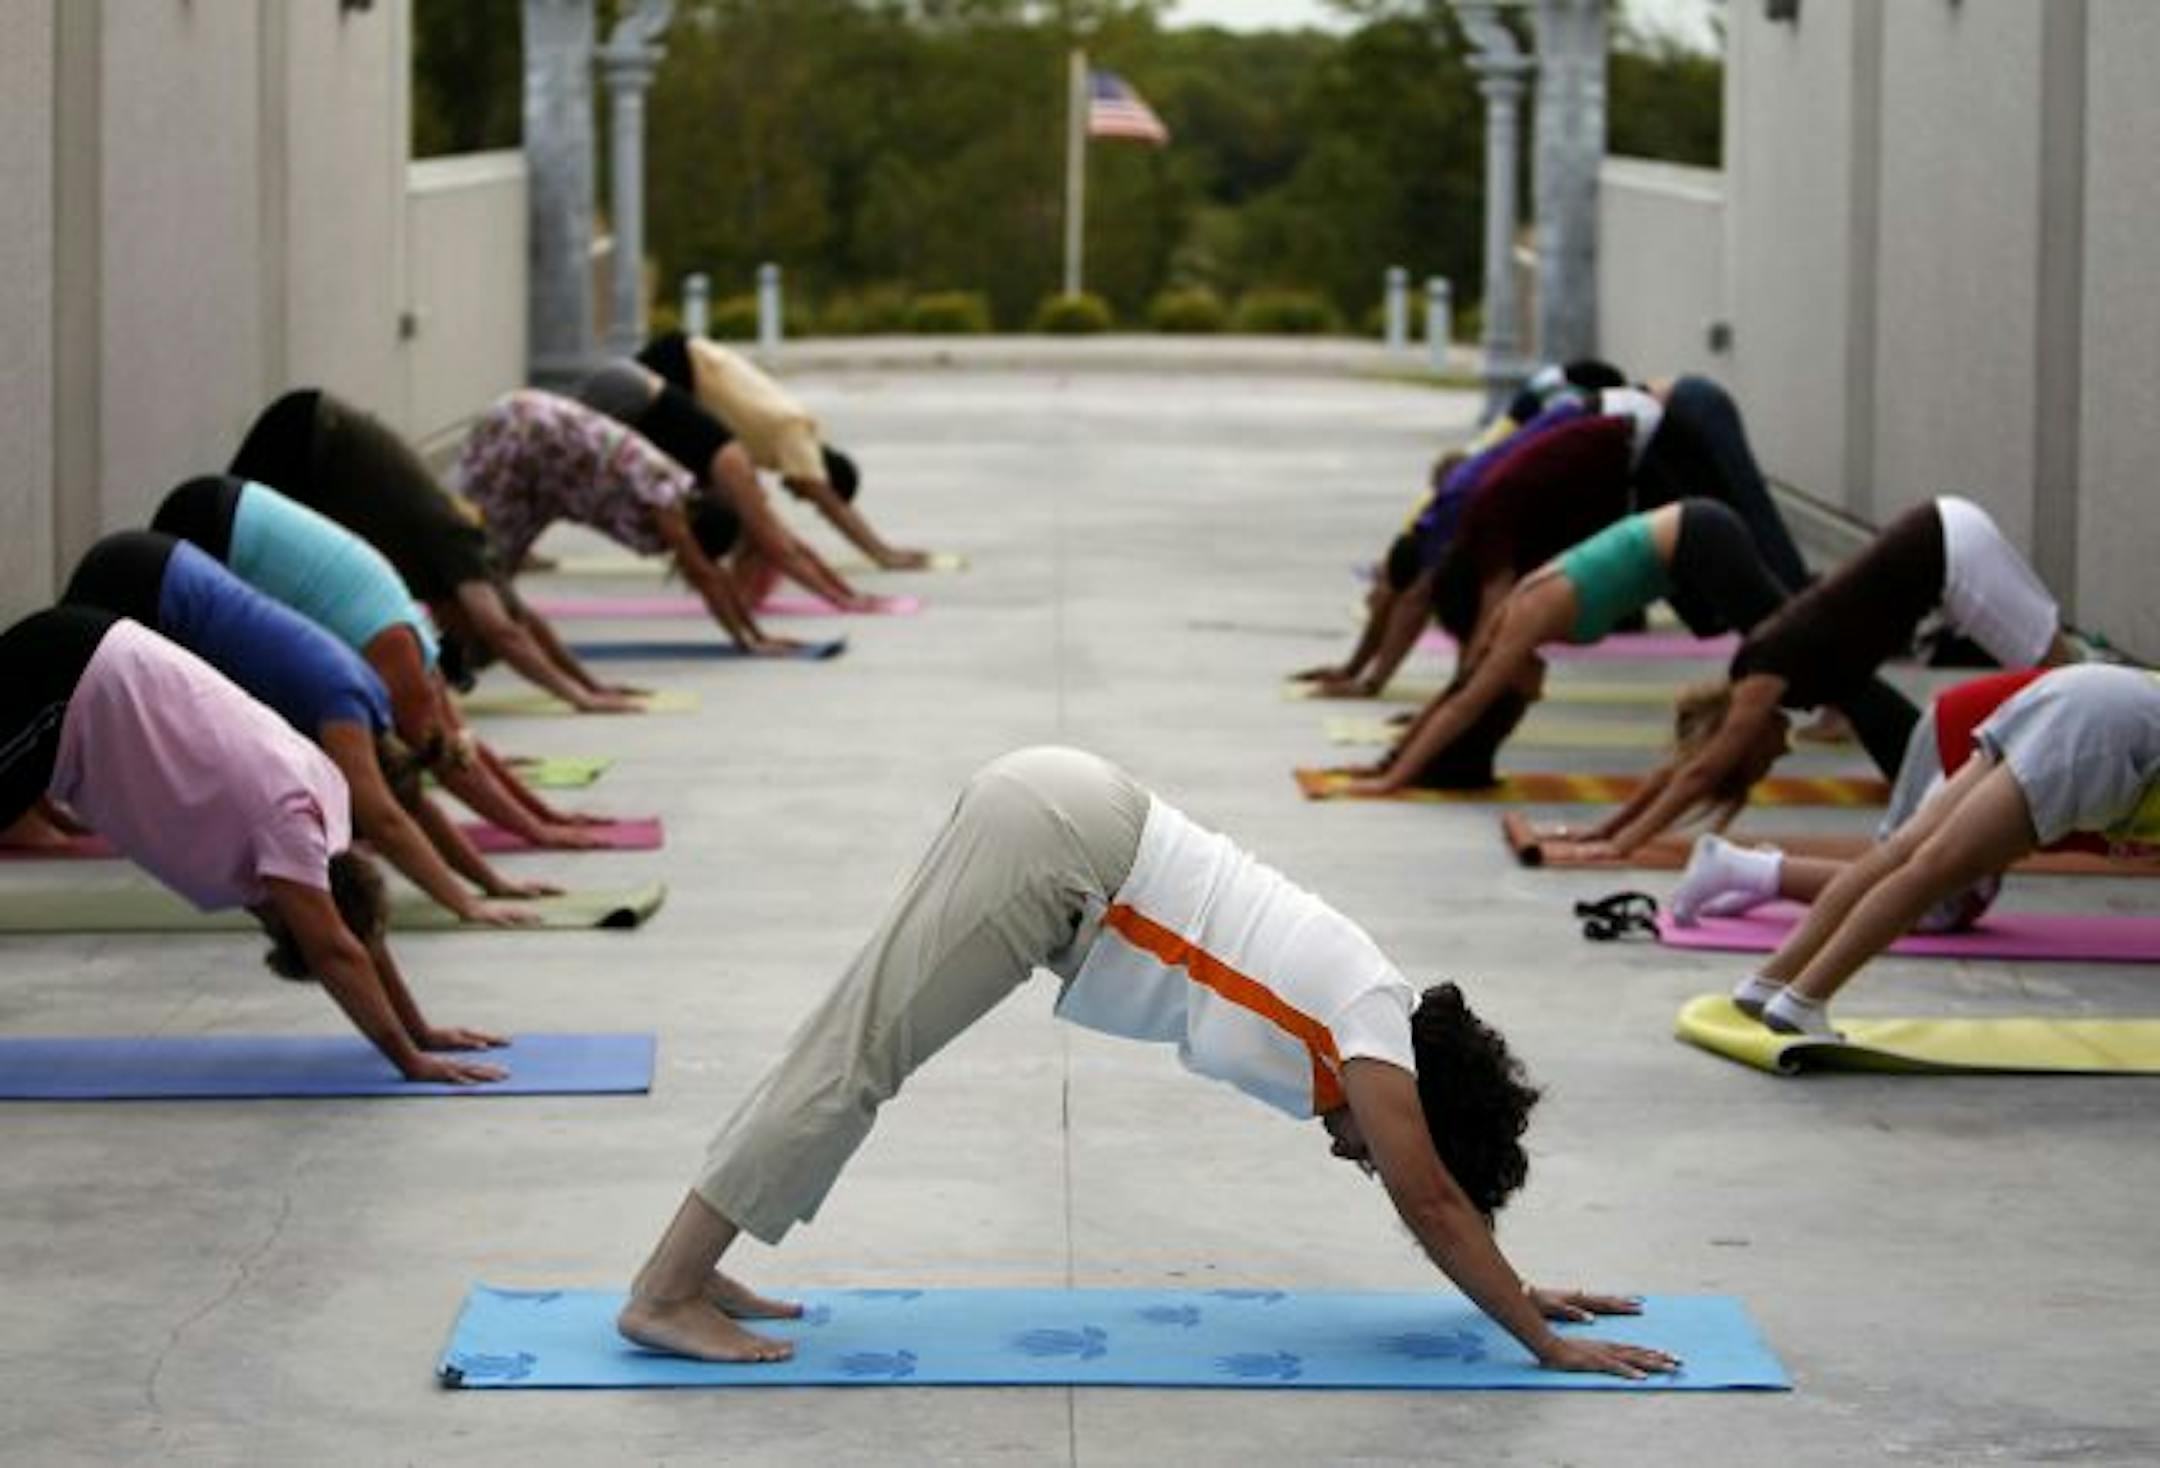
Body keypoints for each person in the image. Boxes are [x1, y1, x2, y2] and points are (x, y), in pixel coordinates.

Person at [616, 746, 1679, 1380]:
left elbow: (1432, 1187)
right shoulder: (1370, 1028)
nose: (1353, 1157)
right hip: (1061, 848)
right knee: (858, 1055)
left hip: (1067, 828)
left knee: (848, 1040)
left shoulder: (1363, 1015)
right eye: (1368, 1155)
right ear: (1425, 1109)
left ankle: (693, 1264)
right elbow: (1434, 1200)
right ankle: (664, 1292)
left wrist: (1520, 1286)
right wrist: (1540, 1337)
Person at [0, 606, 507, 1084]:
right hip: (66, 683)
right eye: (276, 928)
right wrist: (409, 1059)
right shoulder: (287, 828)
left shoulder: (321, 814)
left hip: (86, 664)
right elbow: (335, 949)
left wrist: (419, 1028)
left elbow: (355, 931)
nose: (262, 922)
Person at [59, 530, 558, 925]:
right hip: (144, 582)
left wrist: (490, 882)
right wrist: (464, 904)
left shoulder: (373, 709)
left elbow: (410, 804)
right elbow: (385, 817)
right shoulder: (344, 708)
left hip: (164, 568)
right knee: (60, 703)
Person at [1549, 496, 2078, 863]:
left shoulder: (1764, 671)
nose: (1781, 755)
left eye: (1762, 760)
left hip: (1949, 550)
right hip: (1943, 546)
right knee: (2072, 685)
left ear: (1737, 735)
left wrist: (1622, 847)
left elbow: (1701, 771)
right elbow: (1684, 767)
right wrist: (1604, 829)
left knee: (2072, 687)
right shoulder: (1763, 669)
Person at [150, 475, 613, 852]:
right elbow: (449, 764)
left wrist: (545, 814)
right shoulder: (400, 655)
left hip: (226, 508)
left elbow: (459, 746)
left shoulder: (417, 641)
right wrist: (535, 832)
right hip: (212, 527)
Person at [1726, 663, 2160, 1037]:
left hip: (2076, 693)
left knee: (1901, 851)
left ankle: (1771, 979)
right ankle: (1804, 1000)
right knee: (1935, 870)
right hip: (2102, 731)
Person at [229, 388, 643, 712]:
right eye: (457, 635)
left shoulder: (470, 567)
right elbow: (504, 631)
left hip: (321, 442)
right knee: (229, 564)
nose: (443, 632)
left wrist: (591, 684)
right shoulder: (461, 550)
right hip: (310, 435)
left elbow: (525, 622)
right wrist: (577, 695)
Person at [1346, 499, 1794, 795]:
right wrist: (1390, 761)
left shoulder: (1520, 627)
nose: (1539, 693)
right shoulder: (1505, 632)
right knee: (1797, 652)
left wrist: (1393, 782)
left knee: (1803, 651)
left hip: (1698, 537)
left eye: (1522, 698)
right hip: (1688, 556)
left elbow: (1463, 706)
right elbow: (1456, 693)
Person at [463, 385, 812, 652]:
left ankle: (472, 630)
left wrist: (756, 633)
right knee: (478, 554)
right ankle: (454, 636)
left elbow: (712, 575)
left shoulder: (675, 490)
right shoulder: (668, 500)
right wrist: (749, 640)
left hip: (541, 455)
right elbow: (707, 576)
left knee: (497, 562)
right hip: (523, 432)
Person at [574, 362, 881, 617]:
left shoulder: (729, 480)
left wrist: (845, 592)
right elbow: (783, 550)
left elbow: (788, 544)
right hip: (626, 390)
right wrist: (839, 599)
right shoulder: (735, 475)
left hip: (636, 392)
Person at [636, 331, 931, 581]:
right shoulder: (795, 435)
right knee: (710, 485)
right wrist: (883, 554)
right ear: (824, 474)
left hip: (689, 363)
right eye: (807, 498)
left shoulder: (786, 439)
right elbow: (833, 506)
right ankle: (700, 560)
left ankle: (705, 557)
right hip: (681, 363)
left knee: (718, 481)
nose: (800, 498)